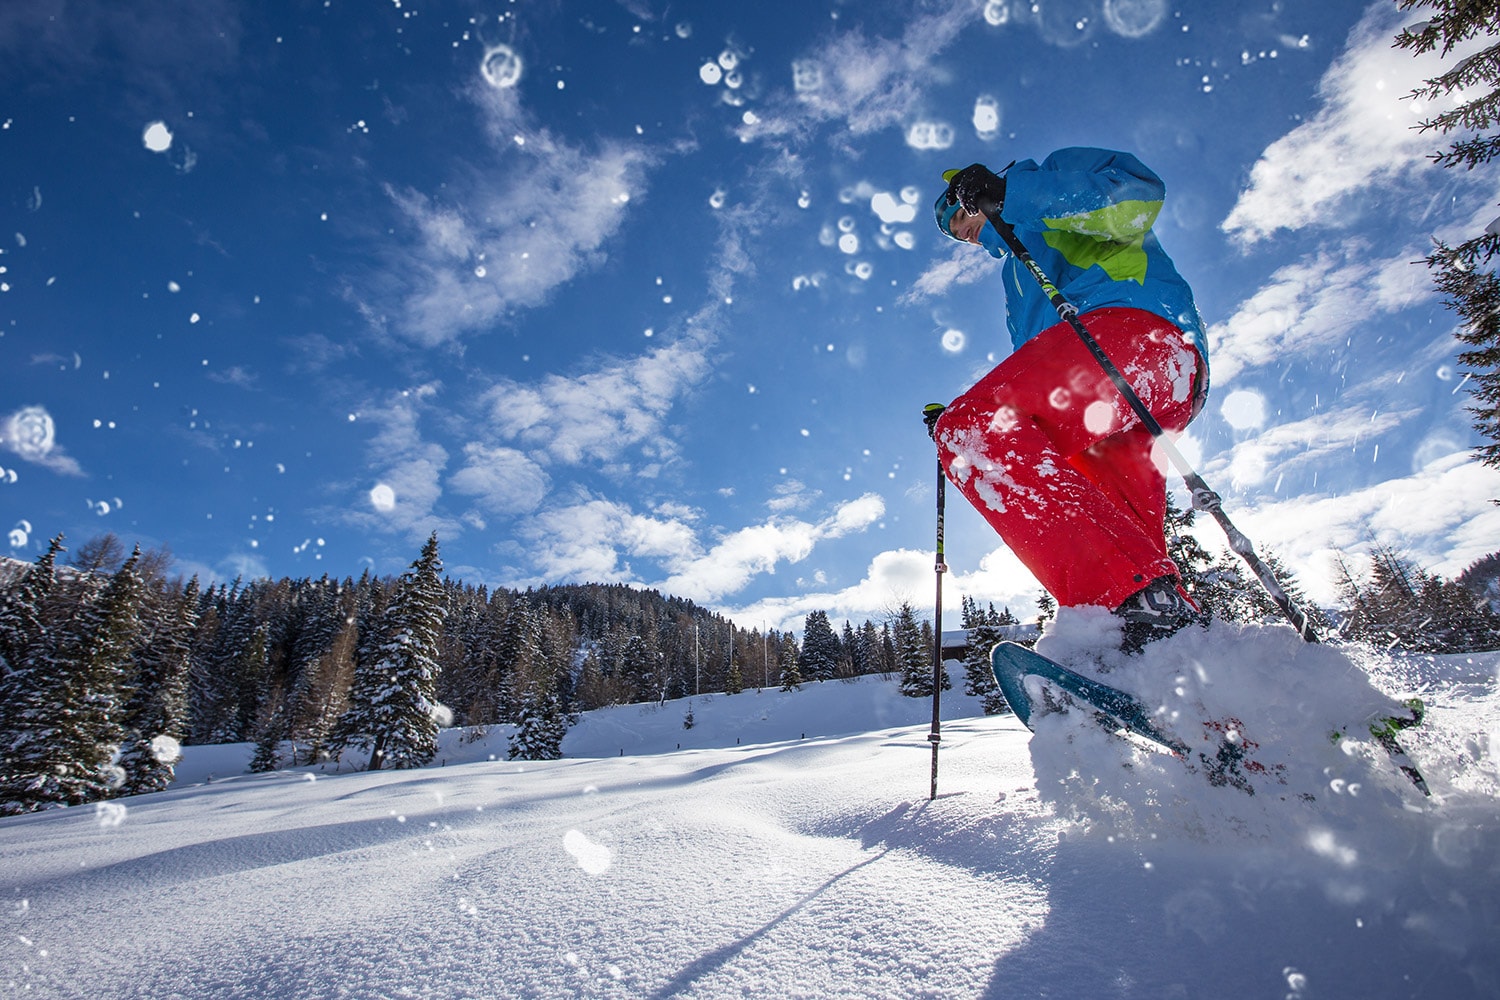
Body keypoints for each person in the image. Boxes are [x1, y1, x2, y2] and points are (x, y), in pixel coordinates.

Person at [929, 148, 1210, 651]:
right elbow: (1040, 362)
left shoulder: (1043, 180)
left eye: (956, 213)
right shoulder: (1013, 271)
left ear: (973, 190)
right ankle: (1187, 670)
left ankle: (1132, 611)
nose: (957, 230)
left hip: (1138, 335)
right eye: (949, 231)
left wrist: (1011, 195)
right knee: (1127, 548)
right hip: (1116, 403)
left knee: (970, 431)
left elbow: (1135, 201)